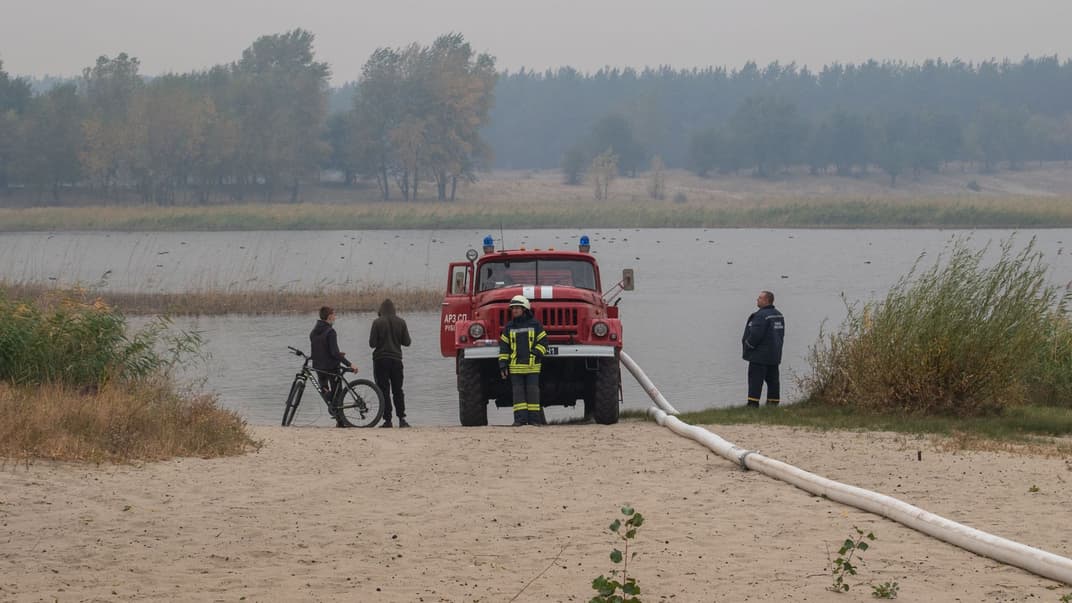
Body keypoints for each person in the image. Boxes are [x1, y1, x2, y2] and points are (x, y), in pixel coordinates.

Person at [498, 295, 548, 426]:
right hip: (515, 367)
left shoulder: (535, 325)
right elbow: (504, 347)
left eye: (517, 308)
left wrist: (535, 353)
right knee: (518, 396)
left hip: (532, 367)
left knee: (533, 395)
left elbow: (543, 343)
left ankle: (534, 421)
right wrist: (503, 364)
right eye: (513, 308)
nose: (514, 310)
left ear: (524, 309)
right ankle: (519, 421)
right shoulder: (509, 327)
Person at [369, 298, 412, 428]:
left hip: (380, 361)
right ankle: (402, 419)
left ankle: (387, 420)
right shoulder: (401, 322)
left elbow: (372, 344)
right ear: (394, 310)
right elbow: (407, 342)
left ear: (381, 310)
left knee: (384, 391)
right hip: (396, 360)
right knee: (398, 390)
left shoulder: (377, 323)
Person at [310, 306, 356, 426]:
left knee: (326, 392)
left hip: (319, 368)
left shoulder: (313, 332)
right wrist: (350, 364)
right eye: (334, 315)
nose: (335, 317)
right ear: (329, 316)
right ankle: (340, 421)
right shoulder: (331, 332)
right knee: (338, 394)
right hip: (332, 368)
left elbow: (319, 350)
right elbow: (334, 353)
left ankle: (338, 418)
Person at [742, 290, 786, 407]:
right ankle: (773, 403)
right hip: (774, 355)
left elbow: (755, 335)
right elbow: (781, 335)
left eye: (760, 298)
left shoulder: (761, 315)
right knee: (773, 381)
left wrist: (748, 345)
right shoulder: (779, 315)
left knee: (755, 381)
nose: (757, 299)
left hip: (759, 356)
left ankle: (752, 404)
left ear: (767, 300)